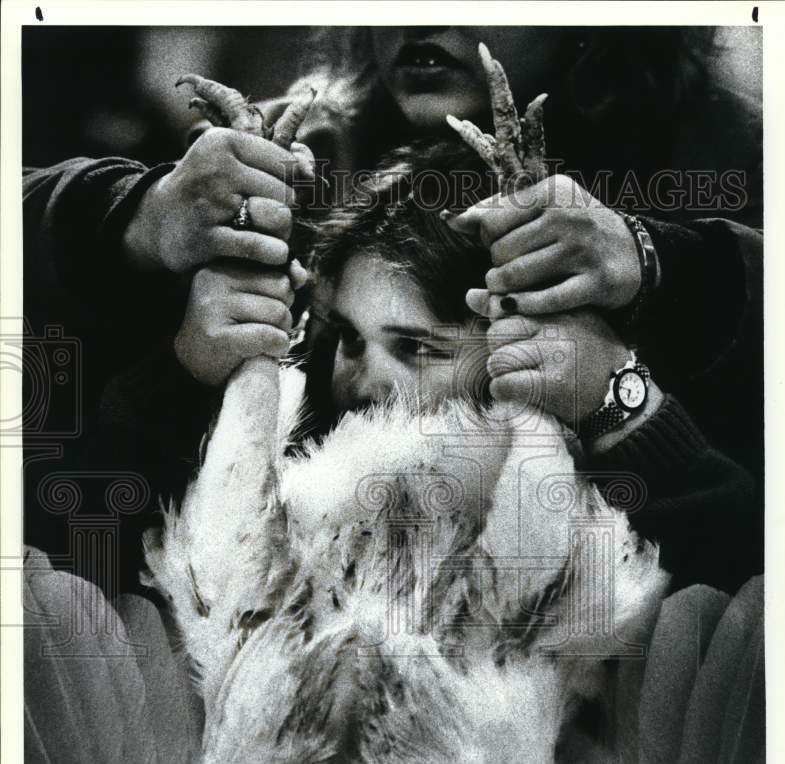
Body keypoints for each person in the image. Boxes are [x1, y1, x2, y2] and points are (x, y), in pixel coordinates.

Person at [22, 26, 762, 592]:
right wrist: (138, 217)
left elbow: (743, 594)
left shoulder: (738, 157)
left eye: (418, 346)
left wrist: (665, 286)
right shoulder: (293, 146)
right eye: (345, 338)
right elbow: (72, 550)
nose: (418, 17)